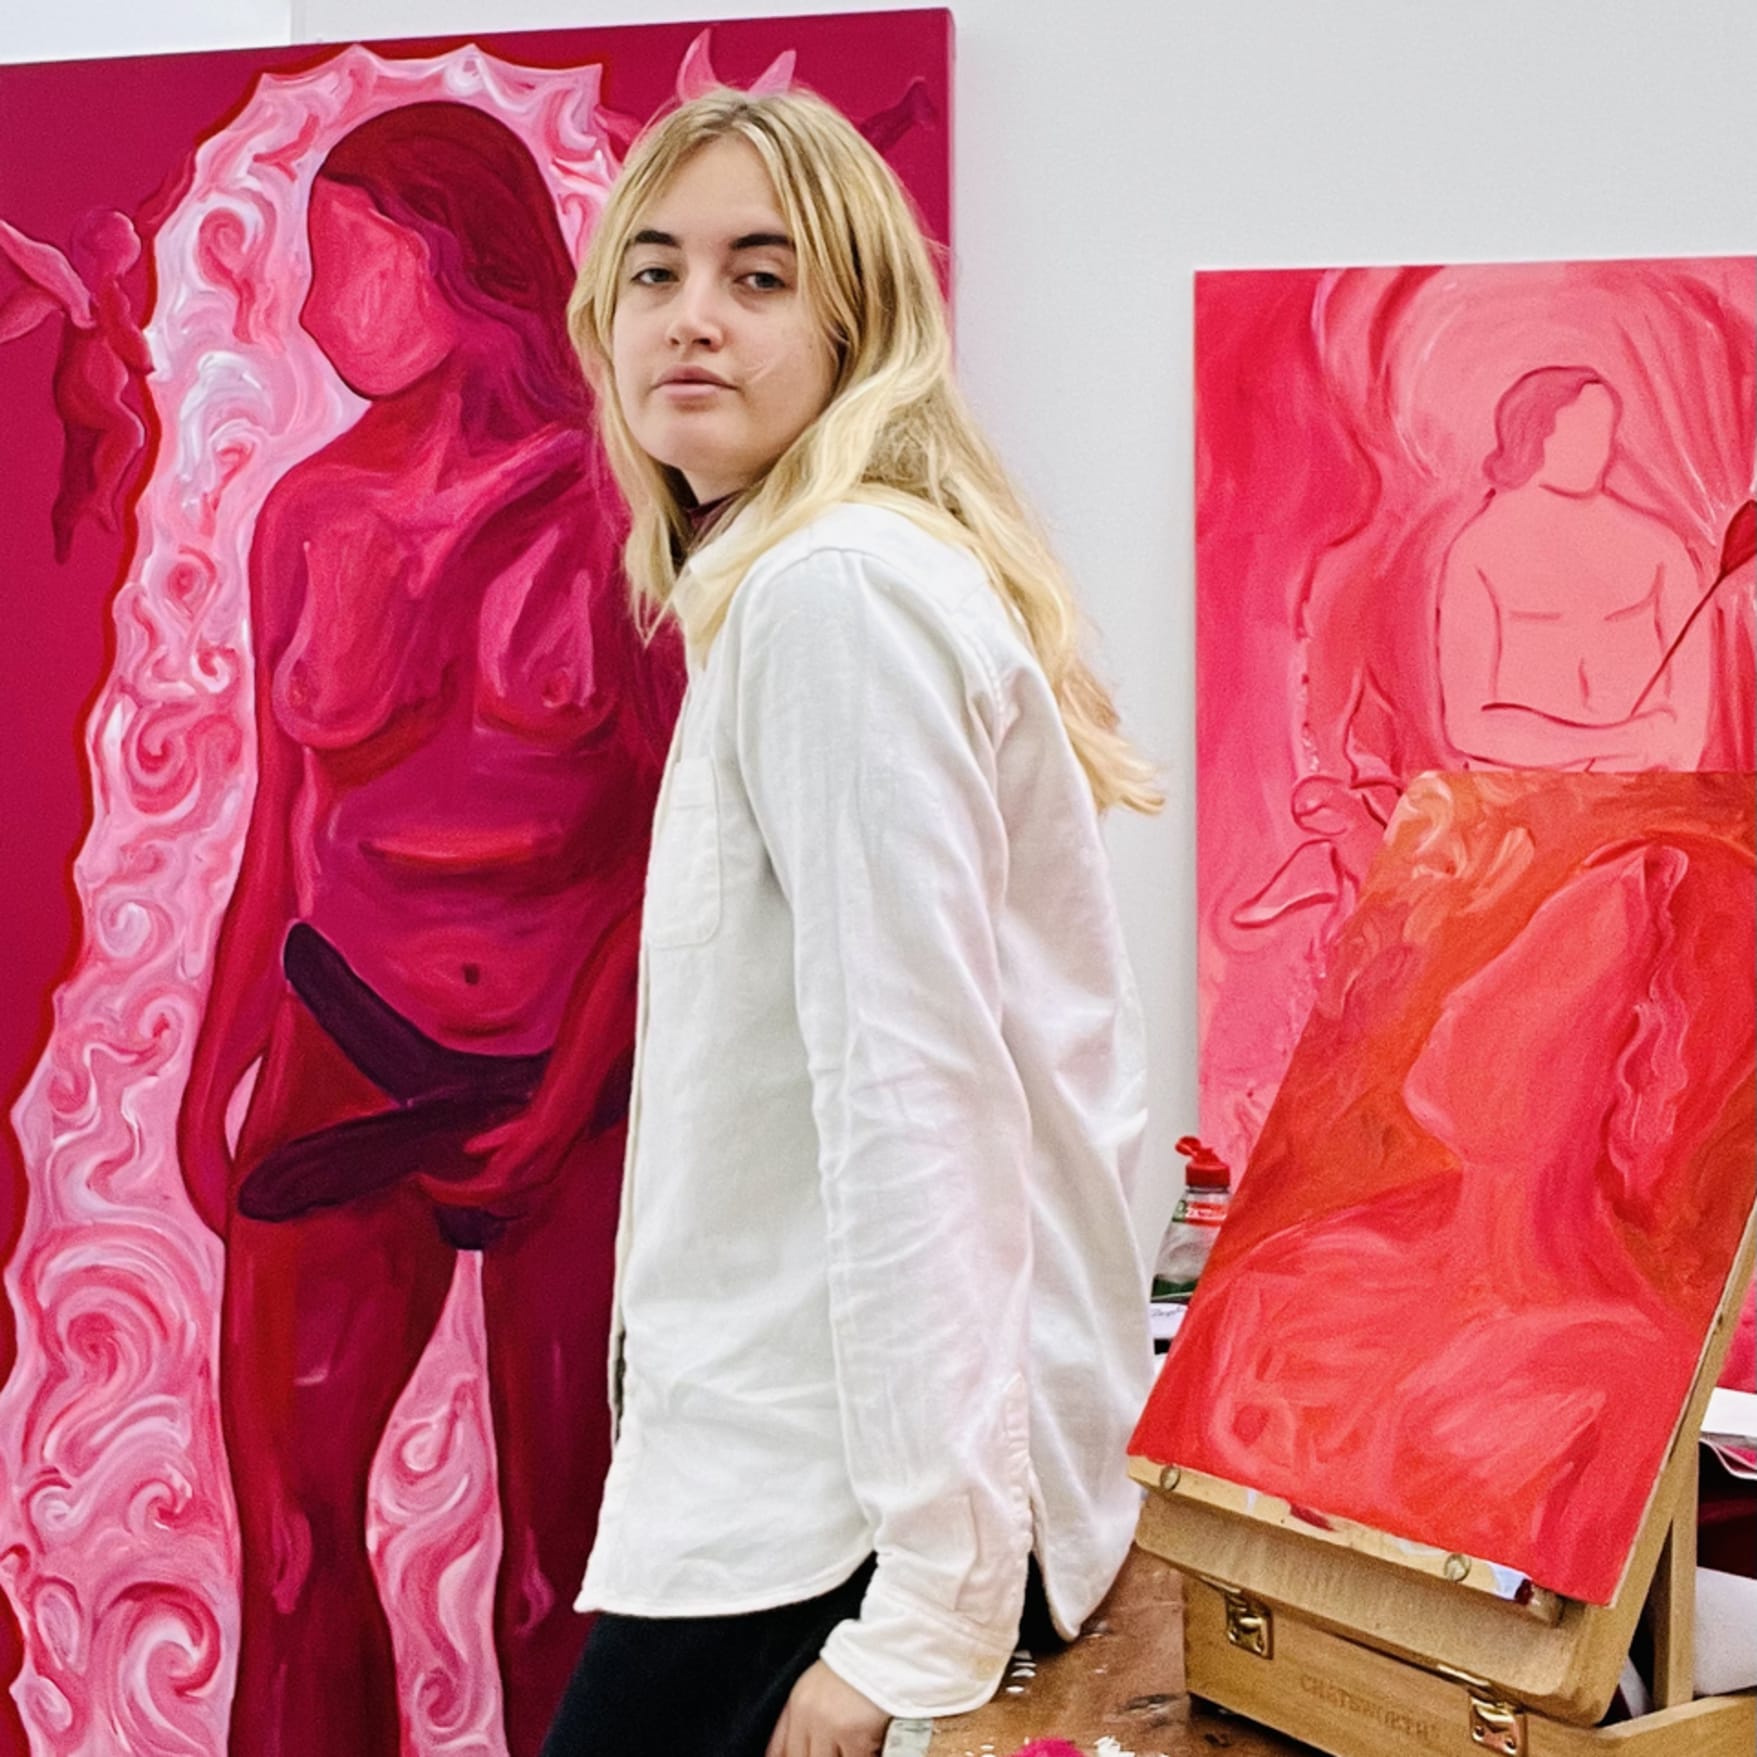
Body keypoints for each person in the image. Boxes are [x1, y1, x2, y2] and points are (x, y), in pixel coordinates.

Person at [542, 87, 1159, 1757]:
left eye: (759, 275)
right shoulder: (826, 581)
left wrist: (925, 1615)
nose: (691, 318)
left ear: (853, 324)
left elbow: (917, 1107)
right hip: (824, 1494)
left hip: (827, 1522)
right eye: (656, 271)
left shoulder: (830, 597)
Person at [175, 102, 681, 1756]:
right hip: (343, 1044)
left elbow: (685, 859)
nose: (318, 309)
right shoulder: (307, 518)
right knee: (298, 1545)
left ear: (464, 269)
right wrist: (215, 1070)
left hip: (580, 1075)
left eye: (349, 263)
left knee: (558, 1577)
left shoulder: (632, 515)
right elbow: (283, 833)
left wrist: (564, 1101)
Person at [1436, 366, 1712, 771]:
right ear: (1531, 435)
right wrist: (1618, 739)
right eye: (1581, 431)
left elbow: (1688, 716)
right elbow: (1467, 727)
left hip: (1640, 791)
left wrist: (1648, 763)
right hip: (1518, 796)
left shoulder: (1660, 548)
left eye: (1605, 430)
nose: (1601, 448)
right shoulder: (1477, 551)